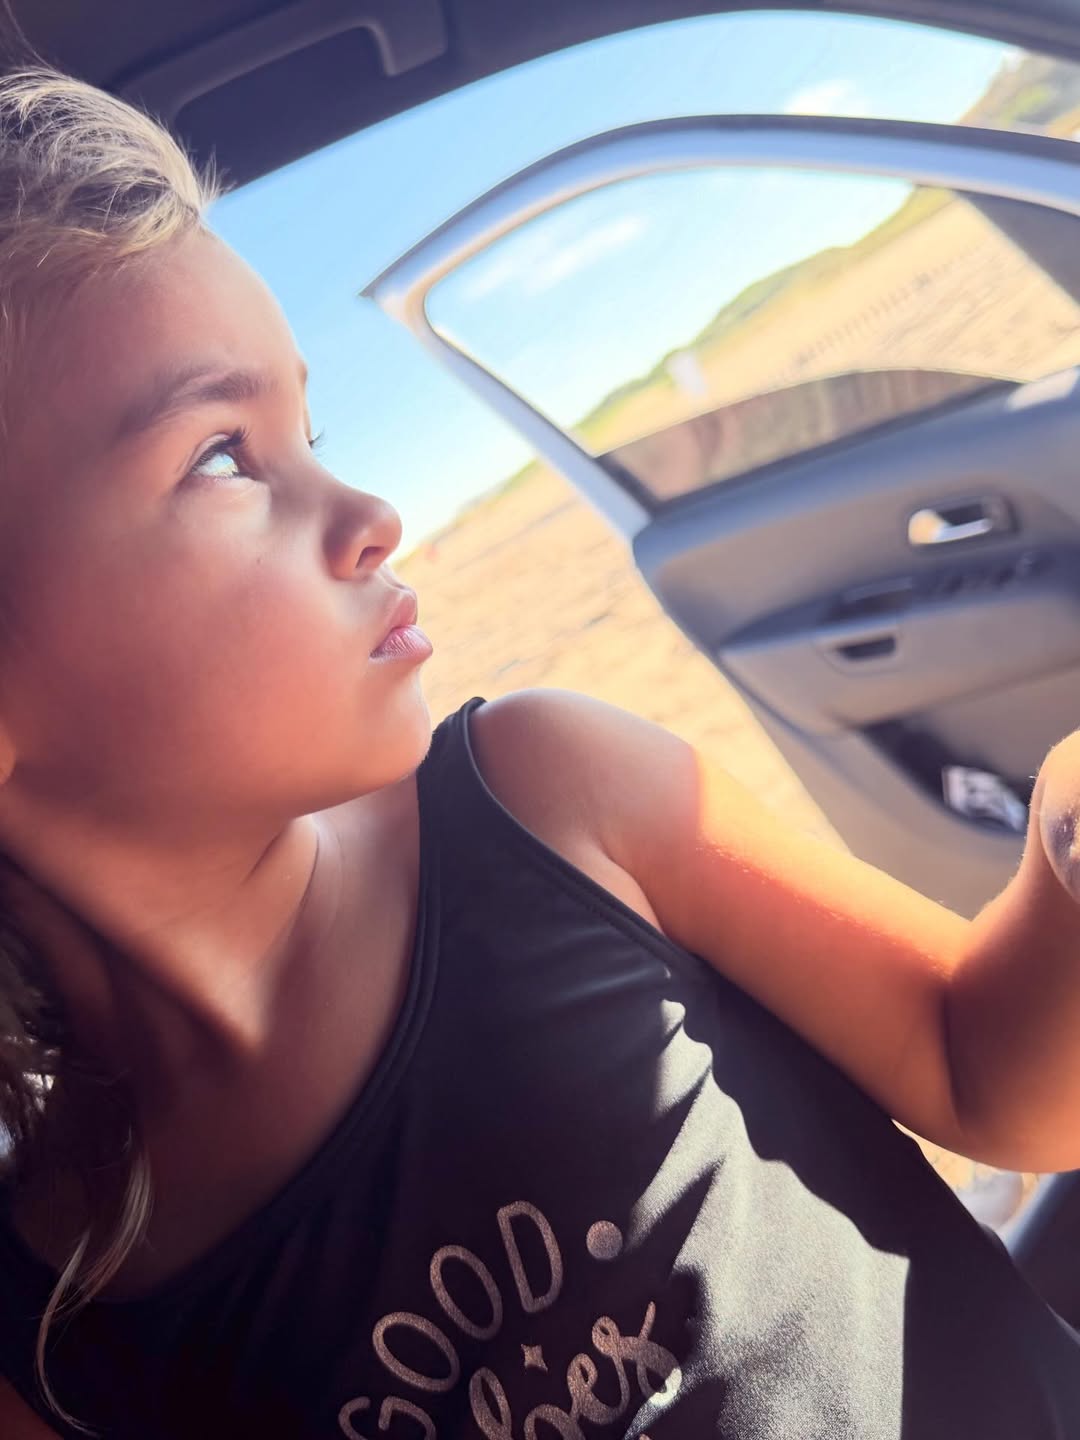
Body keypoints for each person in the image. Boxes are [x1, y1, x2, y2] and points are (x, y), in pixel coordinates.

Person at [0, 67, 1079, 1440]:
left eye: (311, 433)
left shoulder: (546, 794)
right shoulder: (54, 1317)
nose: (375, 514)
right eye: (224, 457)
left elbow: (992, 1073)